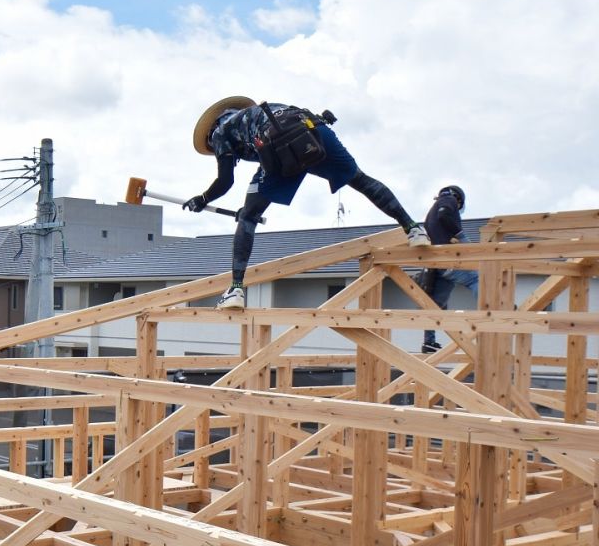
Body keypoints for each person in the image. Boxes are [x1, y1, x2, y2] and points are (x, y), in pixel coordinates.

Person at [183, 96, 431, 311]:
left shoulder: (220, 132)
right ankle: (413, 228)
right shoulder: (262, 112)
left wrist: (203, 199)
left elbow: (225, 181)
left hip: (277, 149)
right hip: (312, 131)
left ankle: (236, 290)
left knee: (247, 219)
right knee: (361, 180)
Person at [419, 184, 477, 353]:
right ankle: (496, 309)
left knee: (435, 304)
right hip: (447, 261)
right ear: (459, 199)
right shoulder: (448, 199)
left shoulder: (431, 212)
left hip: (437, 265)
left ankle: (429, 342)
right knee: (477, 278)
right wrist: (460, 235)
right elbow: (445, 215)